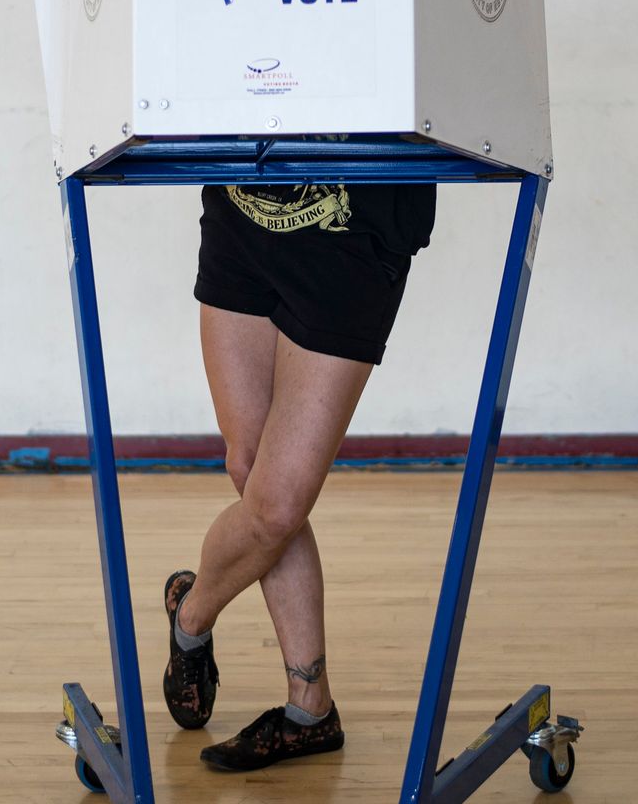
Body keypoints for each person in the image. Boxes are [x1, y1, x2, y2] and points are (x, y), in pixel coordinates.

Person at [163, 178, 436, 772]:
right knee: (249, 467)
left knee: (277, 505)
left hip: (352, 227)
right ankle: (311, 711)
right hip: (243, 206)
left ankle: (191, 614)